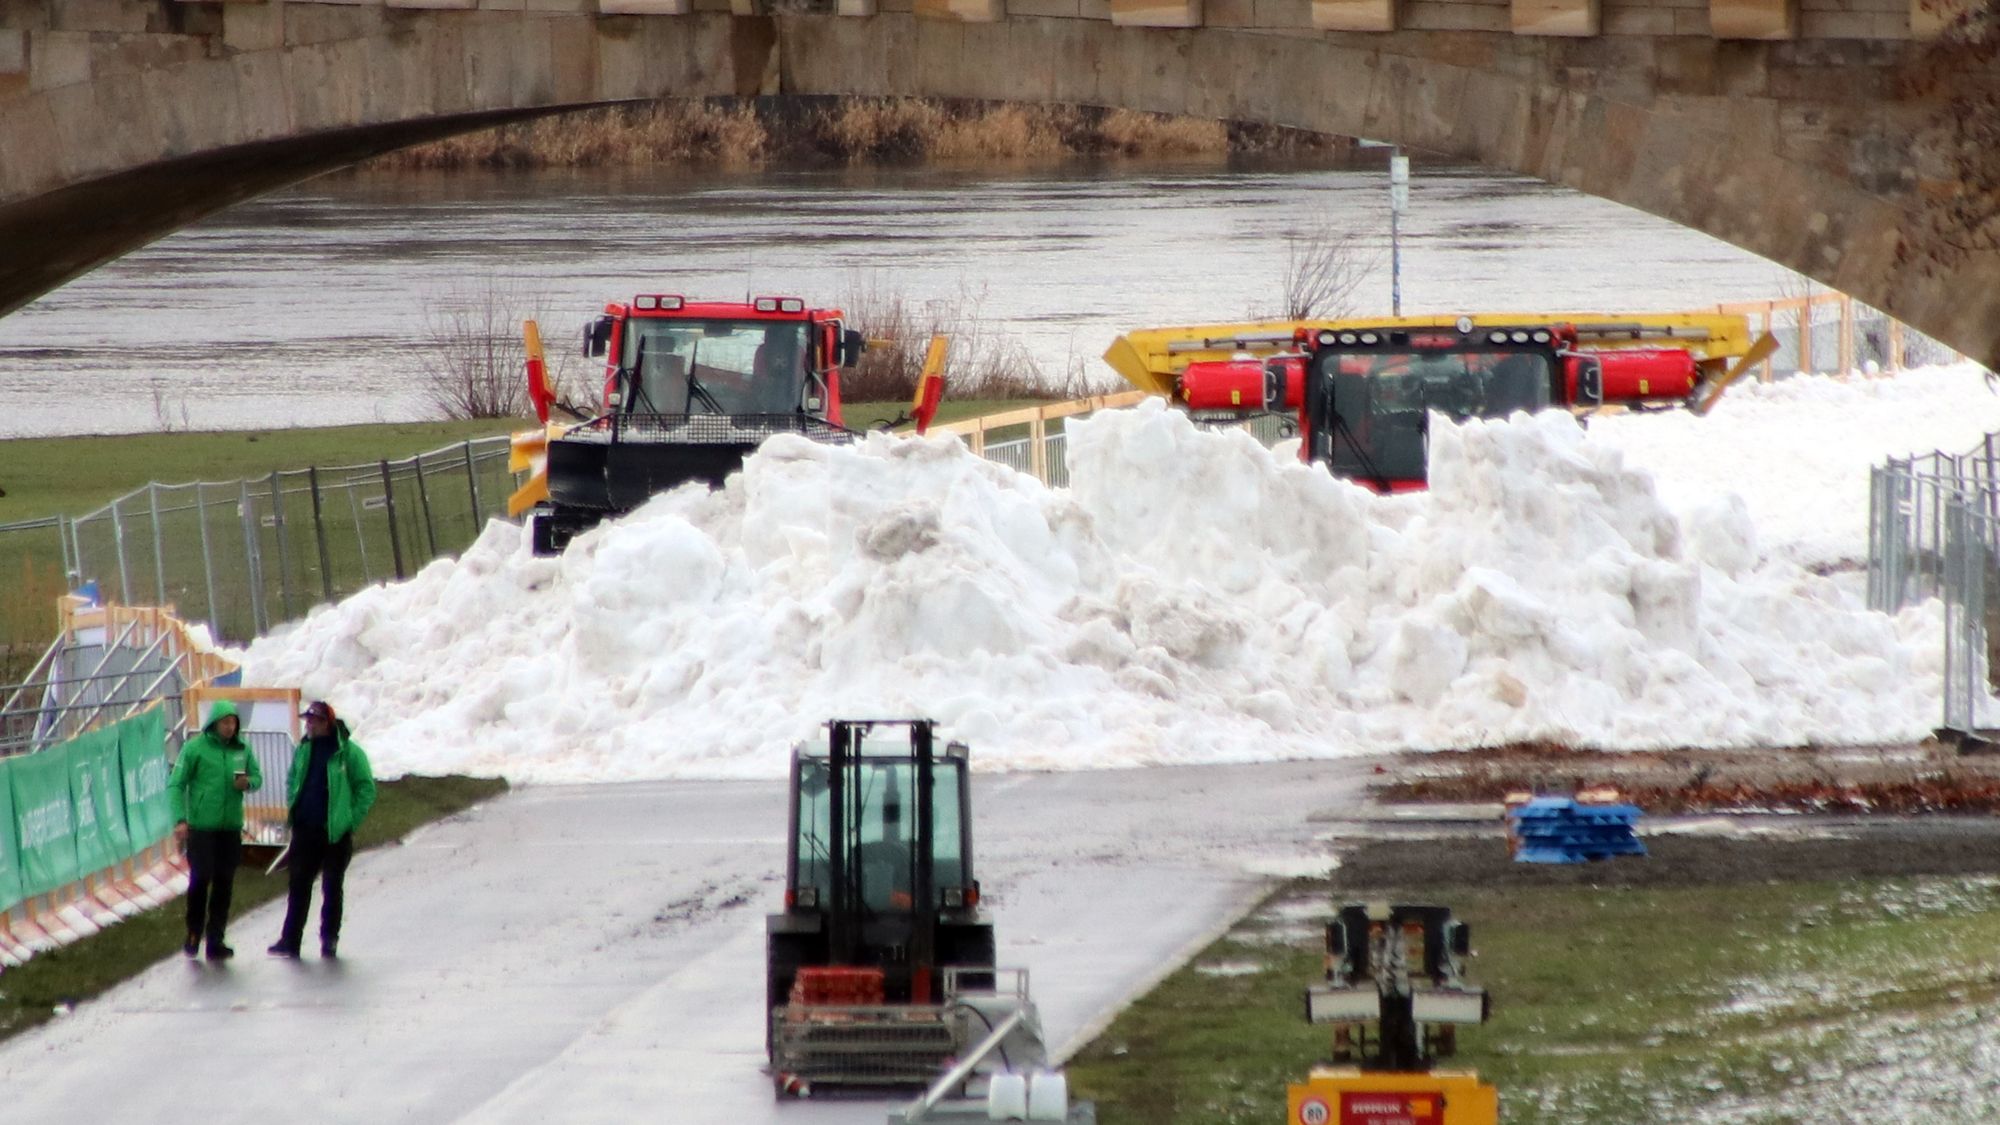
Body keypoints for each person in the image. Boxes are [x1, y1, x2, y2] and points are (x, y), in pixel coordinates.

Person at [269, 701, 376, 960]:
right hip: (305, 829)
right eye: (308, 720)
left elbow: (366, 788)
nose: (309, 725)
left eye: (314, 721)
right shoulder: (304, 749)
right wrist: (294, 802)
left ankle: (329, 938)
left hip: (335, 833)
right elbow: (293, 777)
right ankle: (290, 939)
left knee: (331, 885)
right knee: (298, 884)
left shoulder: (348, 752)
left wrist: (349, 819)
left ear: (327, 723)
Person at [169, 699, 261, 961]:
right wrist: (180, 819)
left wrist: (248, 783)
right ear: (214, 723)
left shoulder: (241, 750)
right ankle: (193, 932)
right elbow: (176, 784)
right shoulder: (195, 749)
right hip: (202, 828)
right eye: (225, 722)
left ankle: (216, 937)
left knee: (225, 881)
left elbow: (257, 777)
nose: (230, 727)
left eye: (233, 722)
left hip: (230, 827)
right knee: (200, 878)